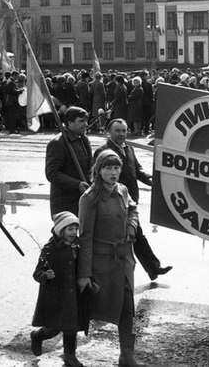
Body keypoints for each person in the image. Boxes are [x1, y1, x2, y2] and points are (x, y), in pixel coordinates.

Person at [77, 149, 145, 367]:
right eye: (108, 168)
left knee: (126, 308)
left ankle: (127, 355)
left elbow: (133, 210)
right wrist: (84, 274)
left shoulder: (123, 190)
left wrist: (131, 228)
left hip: (123, 261)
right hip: (101, 264)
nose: (114, 172)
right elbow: (85, 238)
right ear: (99, 170)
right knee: (82, 309)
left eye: (117, 168)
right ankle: (44, 333)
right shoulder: (89, 198)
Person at [93, 118, 172, 281]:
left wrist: (153, 181)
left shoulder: (129, 149)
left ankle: (152, 268)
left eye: (124, 130)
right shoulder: (102, 151)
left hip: (130, 199)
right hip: (112, 201)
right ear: (109, 132)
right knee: (133, 234)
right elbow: (95, 176)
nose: (122, 134)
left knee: (135, 233)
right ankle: (148, 268)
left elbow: (137, 169)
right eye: (117, 131)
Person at [30, 211, 85, 367]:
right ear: (61, 231)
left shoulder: (79, 245)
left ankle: (70, 356)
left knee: (71, 327)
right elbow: (37, 272)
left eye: (76, 228)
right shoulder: (49, 249)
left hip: (72, 294)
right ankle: (37, 336)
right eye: (70, 229)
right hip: (56, 295)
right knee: (53, 329)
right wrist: (45, 275)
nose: (74, 232)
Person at [45, 106, 92, 217]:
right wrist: (77, 184)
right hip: (64, 203)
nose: (86, 124)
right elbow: (52, 173)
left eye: (86, 120)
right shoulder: (58, 143)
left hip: (83, 200)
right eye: (81, 121)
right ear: (69, 122)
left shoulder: (83, 139)